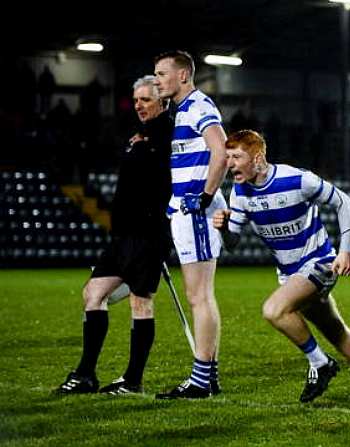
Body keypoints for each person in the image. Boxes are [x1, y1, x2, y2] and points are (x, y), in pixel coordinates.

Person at [212, 130, 350, 402]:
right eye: (227, 157)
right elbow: (232, 244)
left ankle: (321, 364)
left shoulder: (297, 179)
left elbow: (345, 202)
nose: (230, 164)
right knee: (333, 329)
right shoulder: (239, 193)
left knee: (273, 310)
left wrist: (345, 251)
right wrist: (224, 229)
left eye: (237, 157)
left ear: (258, 158)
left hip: (319, 263)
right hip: (290, 274)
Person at [56, 75, 173, 395]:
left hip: (149, 234)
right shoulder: (139, 134)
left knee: (140, 303)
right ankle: (86, 375)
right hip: (122, 236)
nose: (139, 105)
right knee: (93, 294)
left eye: (146, 100)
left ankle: (132, 380)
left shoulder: (170, 133)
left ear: (162, 101)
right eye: (136, 100)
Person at [153, 50, 228, 399]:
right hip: (184, 212)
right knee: (198, 295)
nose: (157, 80)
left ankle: (201, 380)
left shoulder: (198, 106)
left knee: (199, 296)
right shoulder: (181, 110)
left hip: (195, 212)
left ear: (183, 75)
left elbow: (221, 150)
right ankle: (208, 377)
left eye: (162, 73)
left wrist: (205, 196)